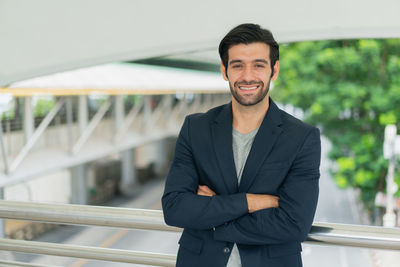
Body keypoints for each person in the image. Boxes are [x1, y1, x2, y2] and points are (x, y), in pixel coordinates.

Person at [162, 23, 321, 267]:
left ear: (274, 70)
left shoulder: (302, 137)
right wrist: (252, 202)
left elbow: (294, 224)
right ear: (225, 70)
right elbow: (175, 208)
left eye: (258, 65)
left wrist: (213, 216)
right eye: (237, 65)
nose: (248, 76)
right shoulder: (196, 128)